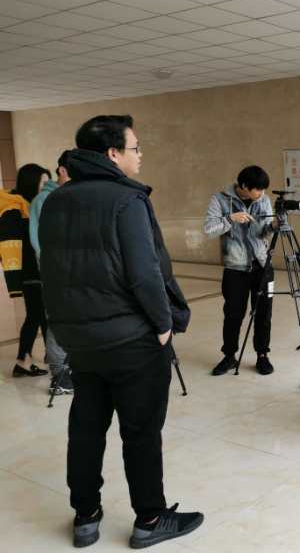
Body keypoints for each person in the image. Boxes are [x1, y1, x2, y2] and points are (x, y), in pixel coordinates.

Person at [38, 115, 201, 548]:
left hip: (80, 340)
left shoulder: (56, 201)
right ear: (112, 153)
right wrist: (163, 325)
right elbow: (145, 273)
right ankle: (150, 519)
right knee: (141, 432)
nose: (140, 155)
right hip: (132, 342)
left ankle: (85, 517)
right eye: (135, 147)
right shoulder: (127, 200)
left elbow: (51, 270)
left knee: (86, 429)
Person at [203, 166, 276, 376]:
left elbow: (264, 232)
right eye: (258, 189)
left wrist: (274, 226)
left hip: (263, 265)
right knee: (233, 315)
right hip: (235, 268)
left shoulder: (263, 200)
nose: (262, 193)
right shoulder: (220, 199)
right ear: (244, 186)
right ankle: (229, 356)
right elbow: (208, 229)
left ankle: (262, 355)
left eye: (263, 189)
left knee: (264, 313)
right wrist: (230, 219)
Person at [30, 150, 74, 395]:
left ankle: (69, 367)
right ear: (62, 170)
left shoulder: (71, 196)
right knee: (58, 319)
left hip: (74, 270)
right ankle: (59, 375)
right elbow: (39, 242)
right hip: (55, 271)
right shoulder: (43, 200)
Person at [0, 163, 51, 378]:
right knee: (36, 315)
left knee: (42, 315)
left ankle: (51, 355)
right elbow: (12, 245)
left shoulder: (29, 206)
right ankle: (22, 360)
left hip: (39, 270)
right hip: (30, 272)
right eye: (42, 183)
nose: (45, 187)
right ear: (30, 183)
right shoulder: (14, 208)